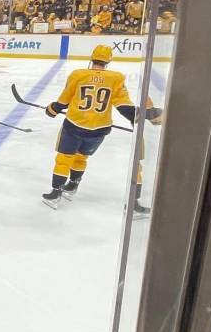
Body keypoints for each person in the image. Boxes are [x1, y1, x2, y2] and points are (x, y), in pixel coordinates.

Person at [41, 45, 162, 209]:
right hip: (99, 130)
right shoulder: (116, 78)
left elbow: (64, 100)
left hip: (74, 126)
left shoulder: (78, 74)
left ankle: (56, 192)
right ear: (108, 61)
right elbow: (123, 105)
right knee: (81, 157)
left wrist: (53, 109)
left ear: (92, 58)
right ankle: (73, 185)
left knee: (64, 159)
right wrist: (146, 115)